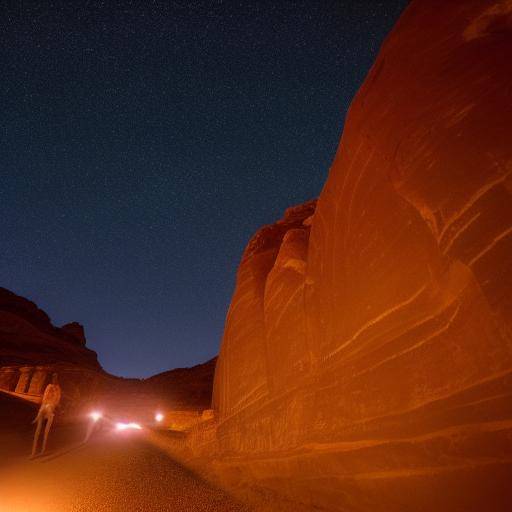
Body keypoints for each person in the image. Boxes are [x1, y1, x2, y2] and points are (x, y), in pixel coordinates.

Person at [31, 373, 62, 458]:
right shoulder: (49, 386)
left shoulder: (58, 388)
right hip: (44, 406)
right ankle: (33, 452)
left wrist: (51, 405)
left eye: (56, 378)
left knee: (46, 432)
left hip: (50, 409)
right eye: (53, 377)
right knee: (37, 431)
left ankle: (42, 450)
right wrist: (44, 404)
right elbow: (45, 396)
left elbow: (57, 399)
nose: (54, 379)